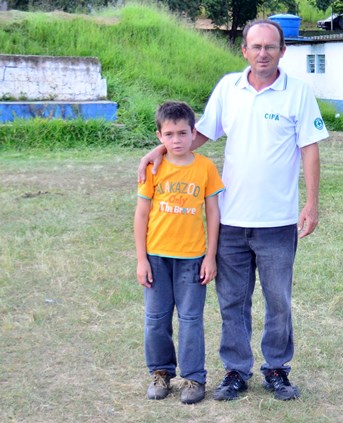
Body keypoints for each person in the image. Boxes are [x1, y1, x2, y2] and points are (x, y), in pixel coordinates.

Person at [137, 20, 329, 401]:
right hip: (231, 221)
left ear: (282, 51)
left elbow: (310, 148)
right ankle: (236, 371)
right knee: (232, 302)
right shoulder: (229, 88)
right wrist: (159, 149)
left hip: (277, 221)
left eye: (270, 47)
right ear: (244, 50)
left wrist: (310, 203)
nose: (262, 53)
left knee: (278, 301)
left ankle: (276, 368)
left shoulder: (299, 93)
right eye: (255, 46)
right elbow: (200, 133)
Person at [134, 101, 224, 404]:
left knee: (190, 320)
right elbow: (141, 215)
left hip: (193, 258)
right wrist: (141, 259)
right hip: (157, 257)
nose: (176, 140)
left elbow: (213, 213)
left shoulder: (205, 167)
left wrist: (210, 257)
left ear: (192, 132)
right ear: (159, 136)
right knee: (156, 318)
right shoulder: (153, 168)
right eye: (169, 134)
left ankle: (193, 378)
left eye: (182, 133)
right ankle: (161, 372)